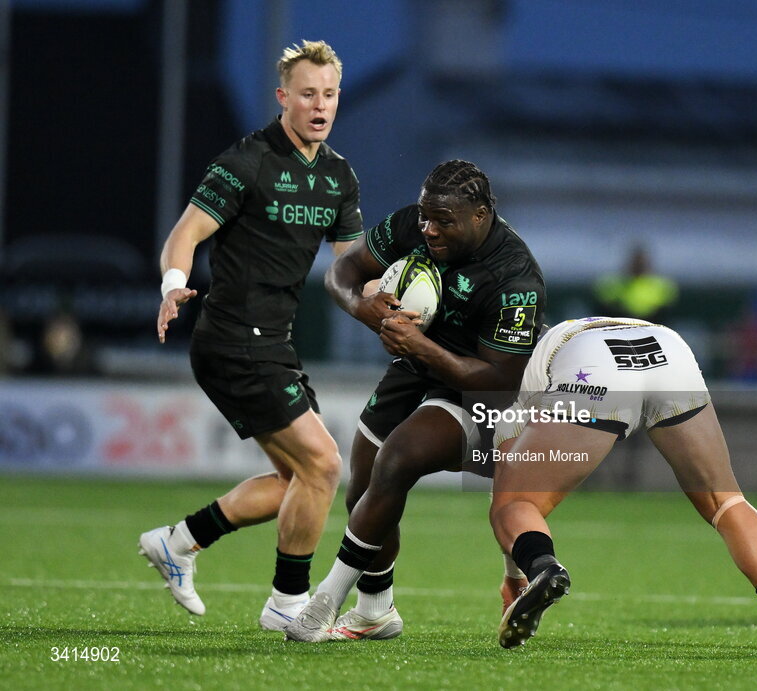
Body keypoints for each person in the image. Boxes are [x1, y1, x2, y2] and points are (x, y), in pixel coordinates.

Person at [138, 40, 363, 631]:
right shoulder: (247, 162)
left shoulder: (338, 177)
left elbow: (350, 268)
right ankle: (287, 606)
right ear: (283, 97)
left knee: (297, 480)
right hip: (234, 338)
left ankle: (179, 541)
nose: (320, 105)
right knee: (322, 466)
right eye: (308, 93)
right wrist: (171, 285)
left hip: (272, 342)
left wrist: (391, 299)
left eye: (330, 94)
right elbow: (184, 236)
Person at [284, 159, 546, 642]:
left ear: (481, 215)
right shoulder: (415, 224)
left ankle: (324, 602)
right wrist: (362, 307)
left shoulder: (515, 278)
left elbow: (498, 379)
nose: (429, 229)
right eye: (426, 216)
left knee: (398, 457)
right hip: (415, 364)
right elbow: (340, 272)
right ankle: (376, 611)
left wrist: (420, 345)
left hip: (479, 388)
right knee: (361, 490)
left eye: (444, 220)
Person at [488, 317, 757, 655]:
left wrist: (518, 575)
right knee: (726, 502)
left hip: (591, 365)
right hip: (666, 348)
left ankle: (545, 567)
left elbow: (508, 483)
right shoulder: (564, 329)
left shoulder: (515, 372)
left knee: (513, 505)